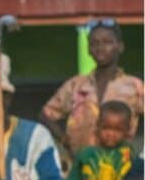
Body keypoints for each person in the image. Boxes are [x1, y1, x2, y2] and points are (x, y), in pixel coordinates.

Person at [41, 20, 143, 159]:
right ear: (88, 49)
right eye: (94, 43)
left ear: (120, 46)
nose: (100, 48)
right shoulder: (75, 85)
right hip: (80, 166)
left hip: (120, 168)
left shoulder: (134, 86)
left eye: (107, 42)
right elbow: (46, 115)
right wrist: (65, 140)